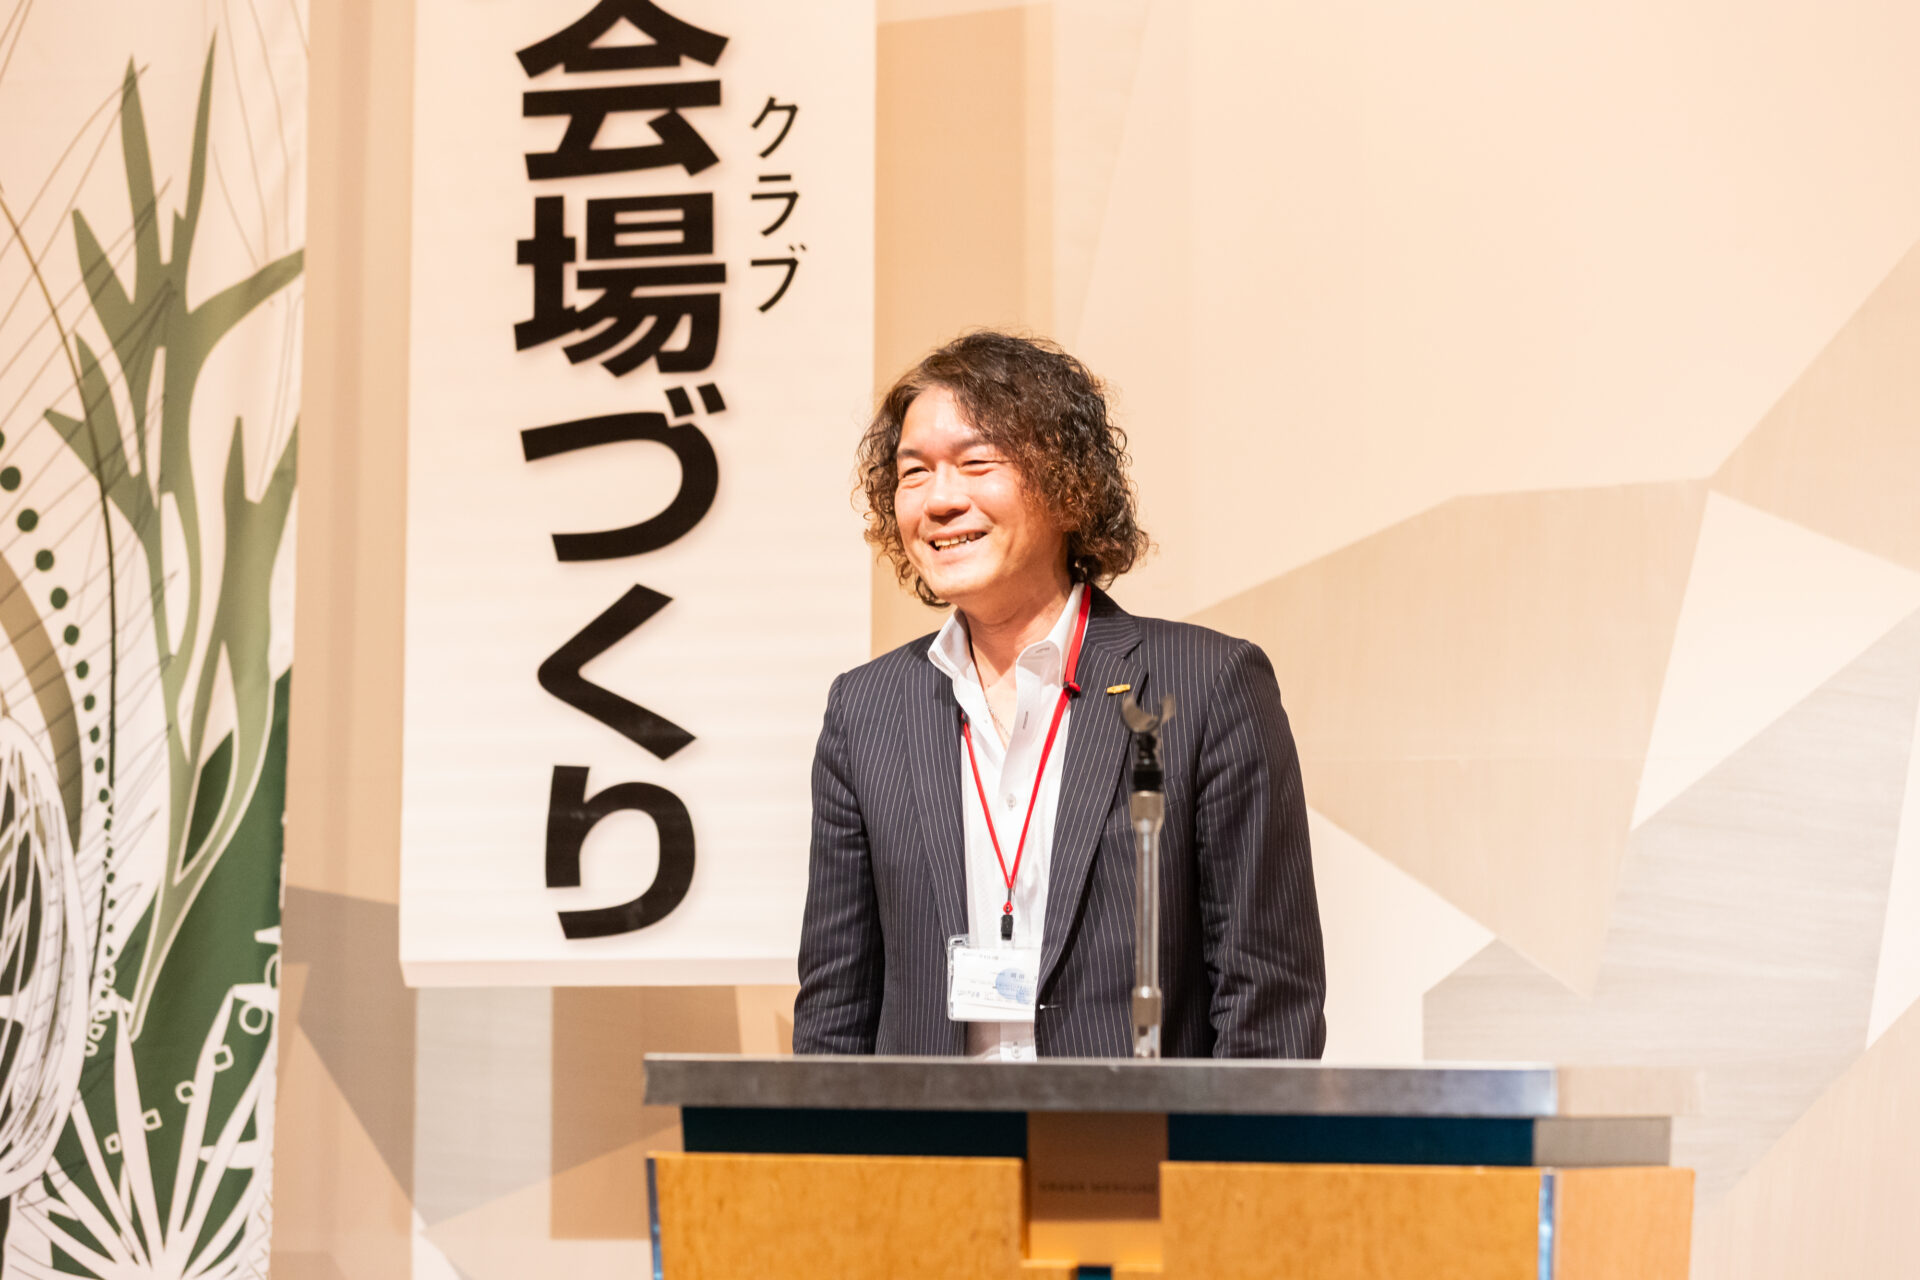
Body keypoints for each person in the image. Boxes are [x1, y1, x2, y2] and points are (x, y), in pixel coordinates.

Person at [792, 331, 1325, 1059]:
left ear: (1067, 483)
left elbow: (1269, 1000)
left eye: (976, 464)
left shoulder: (1207, 685)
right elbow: (836, 1009)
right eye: (913, 473)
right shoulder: (866, 710)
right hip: (931, 1133)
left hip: (1132, 1131)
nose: (940, 500)